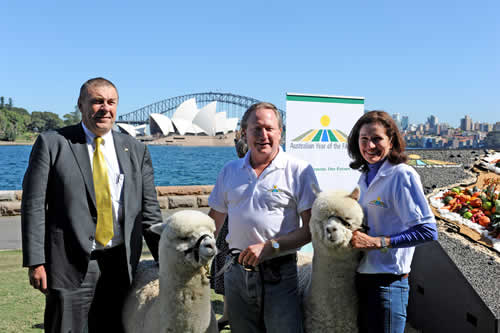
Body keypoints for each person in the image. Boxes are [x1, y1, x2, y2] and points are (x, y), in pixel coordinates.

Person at [21, 77, 163, 333]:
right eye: (97, 101)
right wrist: (36, 262)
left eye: (111, 102)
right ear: (81, 105)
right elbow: (33, 206)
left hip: (120, 265)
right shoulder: (53, 143)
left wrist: (165, 260)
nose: (104, 108)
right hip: (68, 264)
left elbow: (150, 213)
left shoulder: (136, 150)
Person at [208, 102, 318, 333]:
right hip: (235, 273)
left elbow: (310, 229)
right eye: (256, 128)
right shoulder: (229, 171)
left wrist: (270, 247)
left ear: (280, 132)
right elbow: (213, 224)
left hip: (279, 273)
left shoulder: (300, 170)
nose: (263, 135)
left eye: (269, 128)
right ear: (244, 133)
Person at [348, 110, 438, 333]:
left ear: (391, 141)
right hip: (362, 279)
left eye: (377, 139)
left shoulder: (402, 175)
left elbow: (428, 231)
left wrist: (378, 242)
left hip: (388, 284)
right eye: (364, 139)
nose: (370, 146)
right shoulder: (364, 178)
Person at [210, 132, 248, 331]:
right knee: (224, 265)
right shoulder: (233, 171)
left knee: (226, 264)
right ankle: (227, 314)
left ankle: (229, 314)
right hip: (229, 226)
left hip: (233, 227)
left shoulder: (237, 168)